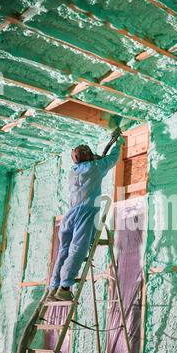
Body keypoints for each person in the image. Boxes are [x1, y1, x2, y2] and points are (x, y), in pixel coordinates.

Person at [47, 128, 123, 301]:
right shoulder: (96, 168)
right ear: (89, 156)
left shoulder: (73, 171)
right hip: (86, 213)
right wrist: (118, 144)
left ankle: (53, 287)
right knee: (78, 249)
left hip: (69, 216)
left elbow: (91, 162)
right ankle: (65, 287)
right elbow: (112, 159)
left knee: (64, 251)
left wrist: (96, 157)